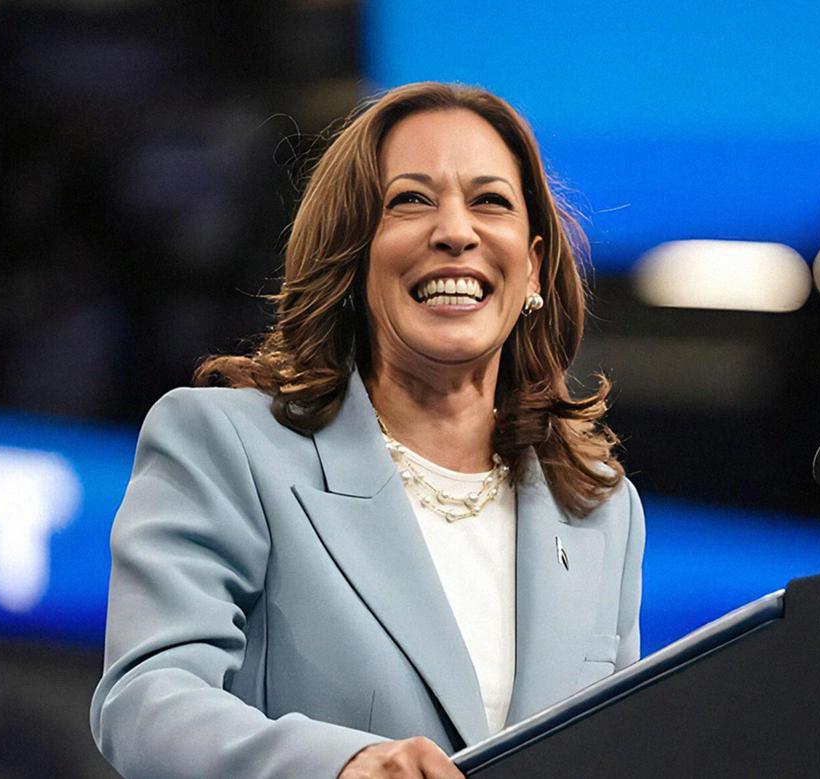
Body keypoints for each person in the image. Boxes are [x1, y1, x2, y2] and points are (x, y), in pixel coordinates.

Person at [89, 82, 643, 779]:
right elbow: (147, 700)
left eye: (490, 201)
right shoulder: (228, 445)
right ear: (353, 255)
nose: (455, 230)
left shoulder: (599, 508)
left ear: (531, 262)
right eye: (410, 199)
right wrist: (341, 765)